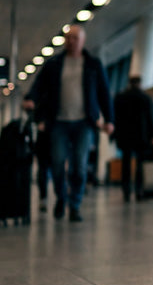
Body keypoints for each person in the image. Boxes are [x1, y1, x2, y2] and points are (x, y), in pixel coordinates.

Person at [25, 26, 113, 222]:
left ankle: (75, 204)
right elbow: (39, 85)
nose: (71, 41)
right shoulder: (54, 64)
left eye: (75, 38)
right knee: (57, 163)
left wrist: (109, 120)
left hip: (84, 122)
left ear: (83, 40)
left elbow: (104, 93)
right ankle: (61, 198)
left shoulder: (93, 64)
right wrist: (30, 98)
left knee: (79, 166)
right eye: (68, 38)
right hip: (58, 122)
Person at [112, 75, 153, 201]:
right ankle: (139, 190)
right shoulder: (145, 98)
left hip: (125, 135)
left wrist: (115, 135)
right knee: (140, 164)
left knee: (125, 163)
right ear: (140, 83)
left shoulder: (120, 97)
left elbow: (116, 118)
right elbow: (150, 118)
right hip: (141, 135)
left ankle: (126, 190)